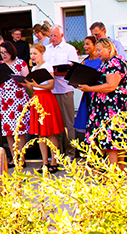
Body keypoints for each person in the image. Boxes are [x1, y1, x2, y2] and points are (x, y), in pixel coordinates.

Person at [79, 38, 127, 170]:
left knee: (111, 142)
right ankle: (119, 172)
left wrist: (89, 89)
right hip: (105, 104)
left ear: (109, 48)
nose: (97, 53)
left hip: (112, 105)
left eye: (99, 50)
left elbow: (111, 86)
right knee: (117, 141)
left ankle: (113, 174)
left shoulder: (114, 62)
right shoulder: (106, 63)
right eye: (96, 50)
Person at [0, 42, 30, 167]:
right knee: (7, 130)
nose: (3, 55)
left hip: (17, 98)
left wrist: (18, 79)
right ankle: (14, 158)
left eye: (5, 52)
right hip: (2, 99)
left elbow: (27, 81)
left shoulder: (20, 63)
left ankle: (21, 158)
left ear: (11, 51)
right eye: (1, 53)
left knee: (18, 130)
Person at [26, 44, 64, 174]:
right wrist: (29, 85)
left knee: (50, 131)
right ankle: (44, 162)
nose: (33, 56)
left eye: (35, 53)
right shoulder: (34, 67)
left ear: (42, 53)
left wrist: (36, 85)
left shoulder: (47, 66)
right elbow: (34, 88)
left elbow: (51, 85)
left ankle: (54, 161)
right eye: (31, 54)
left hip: (46, 98)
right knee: (40, 133)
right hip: (37, 97)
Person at [43, 25, 79, 157]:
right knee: (54, 123)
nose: (52, 38)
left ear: (62, 35)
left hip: (64, 89)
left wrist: (56, 71)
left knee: (67, 122)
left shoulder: (69, 49)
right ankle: (57, 153)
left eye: (55, 35)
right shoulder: (46, 50)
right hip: (49, 90)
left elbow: (73, 68)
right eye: (51, 36)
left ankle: (71, 152)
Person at [73, 36, 102, 135]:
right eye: (84, 44)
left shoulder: (101, 60)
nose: (85, 46)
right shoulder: (85, 61)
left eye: (88, 44)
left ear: (95, 46)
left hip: (99, 95)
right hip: (88, 95)